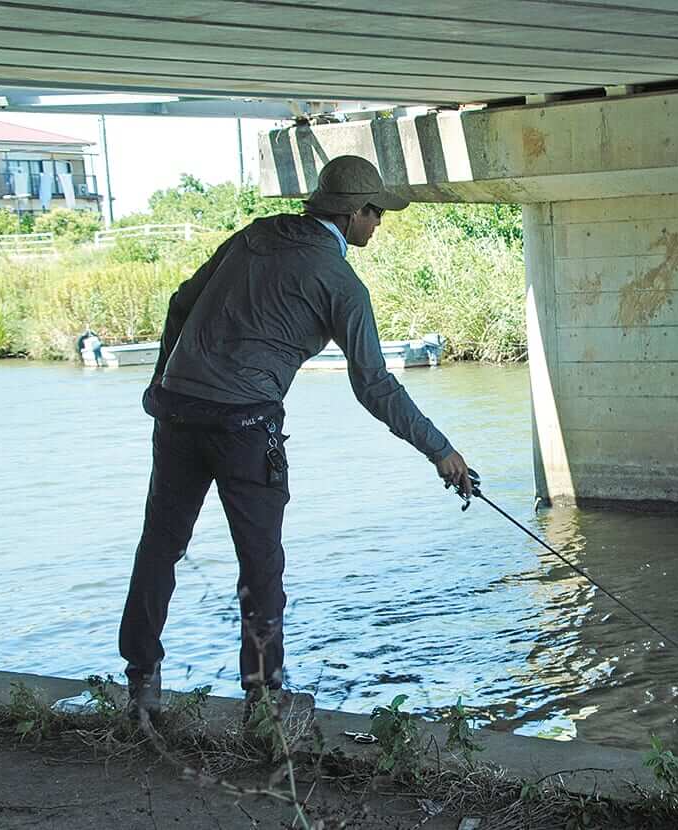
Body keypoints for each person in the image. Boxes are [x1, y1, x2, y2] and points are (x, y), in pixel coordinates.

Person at [118, 155, 472, 720]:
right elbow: (374, 385)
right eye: (377, 213)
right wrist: (441, 451)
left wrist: (161, 379)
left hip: (178, 416)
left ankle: (141, 685)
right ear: (355, 214)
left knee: (160, 547)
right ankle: (264, 700)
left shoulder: (255, 236)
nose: (379, 225)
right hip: (244, 430)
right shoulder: (340, 283)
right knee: (260, 566)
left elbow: (181, 302)